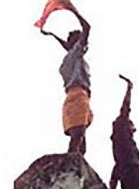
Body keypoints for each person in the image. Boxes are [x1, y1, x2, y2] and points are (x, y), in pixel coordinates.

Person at [41, 3, 92, 154]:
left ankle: (76, 164)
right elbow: (87, 28)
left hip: (76, 96)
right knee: (78, 135)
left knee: (80, 139)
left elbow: (67, 45)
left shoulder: (70, 57)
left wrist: (52, 35)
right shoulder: (75, 54)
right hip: (78, 95)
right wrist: (73, 10)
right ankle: (70, 163)